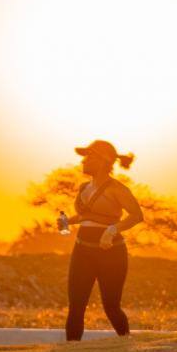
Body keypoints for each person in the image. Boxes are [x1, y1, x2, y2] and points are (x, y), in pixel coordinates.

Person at [58, 140, 144, 341]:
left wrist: (113, 229)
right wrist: (67, 221)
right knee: (76, 306)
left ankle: (126, 345)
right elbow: (86, 216)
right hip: (82, 250)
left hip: (111, 252)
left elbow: (137, 215)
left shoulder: (117, 189)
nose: (83, 161)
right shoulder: (83, 188)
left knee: (111, 307)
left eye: (89, 157)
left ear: (103, 161)